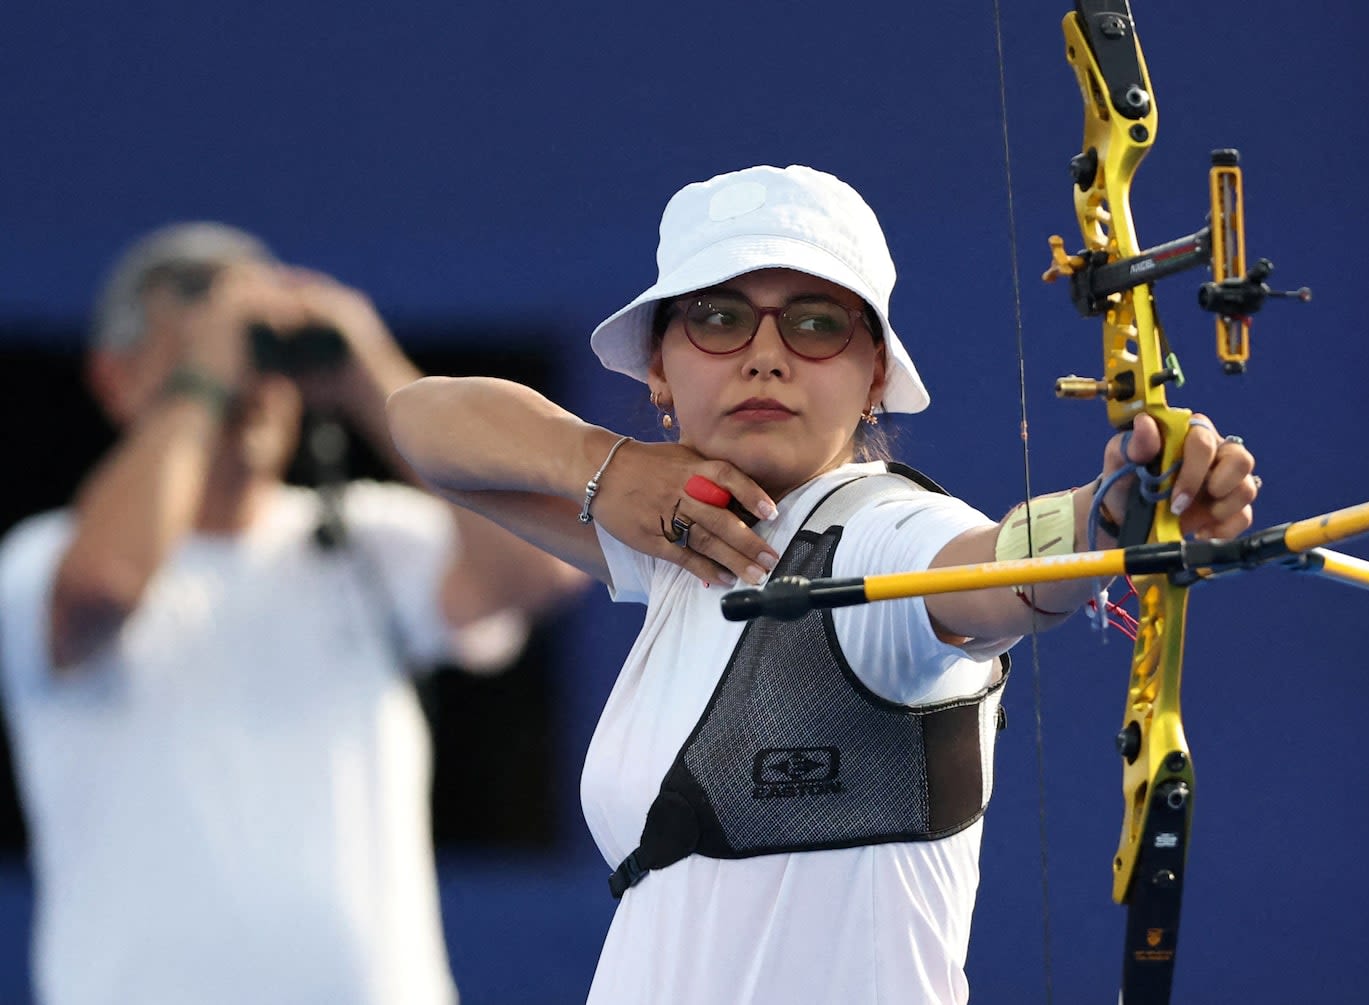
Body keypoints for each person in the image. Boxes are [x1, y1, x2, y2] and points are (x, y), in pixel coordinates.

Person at [384, 164, 1259, 1004]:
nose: (765, 356)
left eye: (814, 325)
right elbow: (419, 423)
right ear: (659, 367)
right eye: (719, 318)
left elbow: (995, 572)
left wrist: (1111, 515)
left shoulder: (879, 536)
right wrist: (603, 467)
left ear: (875, 373)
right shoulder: (684, 535)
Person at [0, 223, 589, 1005]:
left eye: (259, 352)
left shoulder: (365, 539)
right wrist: (204, 385)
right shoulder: (42, 558)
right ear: (115, 378)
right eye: (197, 352)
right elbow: (103, 589)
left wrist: (367, 371)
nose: (245, 381)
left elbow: (546, 567)